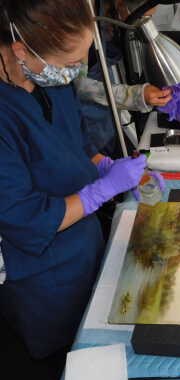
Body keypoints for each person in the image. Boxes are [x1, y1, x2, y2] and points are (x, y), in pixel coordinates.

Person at [0, 0, 163, 358]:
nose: (75, 72)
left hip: (84, 243)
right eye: (69, 63)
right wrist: (101, 191)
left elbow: (74, 143)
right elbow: (26, 220)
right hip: (43, 273)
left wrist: (108, 167)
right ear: (21, 50)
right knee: (70, 355)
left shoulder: (48, 79)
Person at [74, 0, 180, 152]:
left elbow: (159, 70)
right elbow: (76, 84)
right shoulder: (81, 19)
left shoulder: (128, 15)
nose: (144, 22)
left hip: (110, 113)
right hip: (84, 118)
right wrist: (134, 95)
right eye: (140, 16)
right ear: (120, 4)